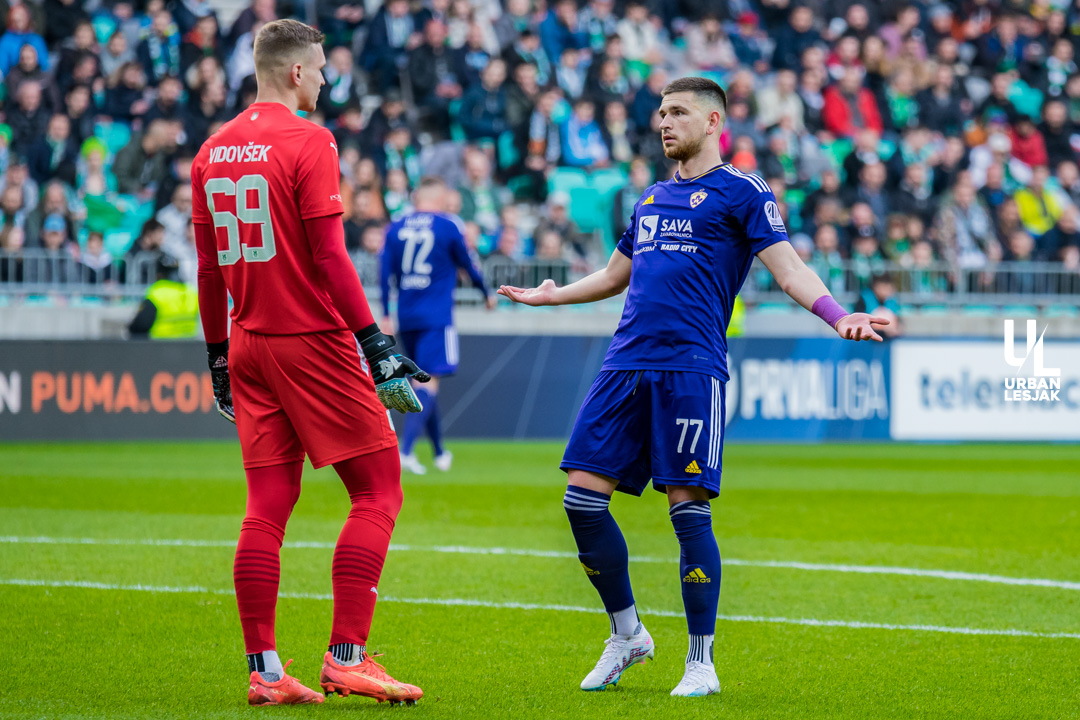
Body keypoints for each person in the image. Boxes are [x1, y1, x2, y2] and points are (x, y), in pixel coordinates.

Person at [498, 76, 888, 698]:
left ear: (713, 123)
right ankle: (627, 634)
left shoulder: (743, 190)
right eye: (660, 113)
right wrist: (554, 296)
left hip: (691, 368)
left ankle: (700, 662)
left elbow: (789, 269)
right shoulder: (651, 197)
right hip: (624, 363)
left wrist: (838, 315)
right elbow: (615, 275)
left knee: (687, 510)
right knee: (581, 502)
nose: (663, 123)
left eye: (677, 112)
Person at [190, 19, 429, 707]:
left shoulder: (211, 149)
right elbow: (329, 256)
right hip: (312, 340)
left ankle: (266, 673)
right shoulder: (310, 140)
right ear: (296, 71)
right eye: (320, 69)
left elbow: (208, 270)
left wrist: (217, 355)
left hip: (247, 342)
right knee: (378, 490)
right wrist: (374, 340)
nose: (324, 80)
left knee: (266, 506)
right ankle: (347, 657)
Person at [380, 176, 494, 474]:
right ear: (438, 197)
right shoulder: (447, 225)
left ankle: (440, 452)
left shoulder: (395, 227)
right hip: (436, 317)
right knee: (428, 383)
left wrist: (386, 313)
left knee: (423, 381)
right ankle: (405, 451)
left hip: (407, 316)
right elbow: (467, 264)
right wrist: (486, 293)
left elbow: (384, 271)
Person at [127, 254, 198, 338]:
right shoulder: (190, 291)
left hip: (161, 343)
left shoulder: (156, 292)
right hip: (190, 342)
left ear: (157, 273)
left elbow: (140, 325)